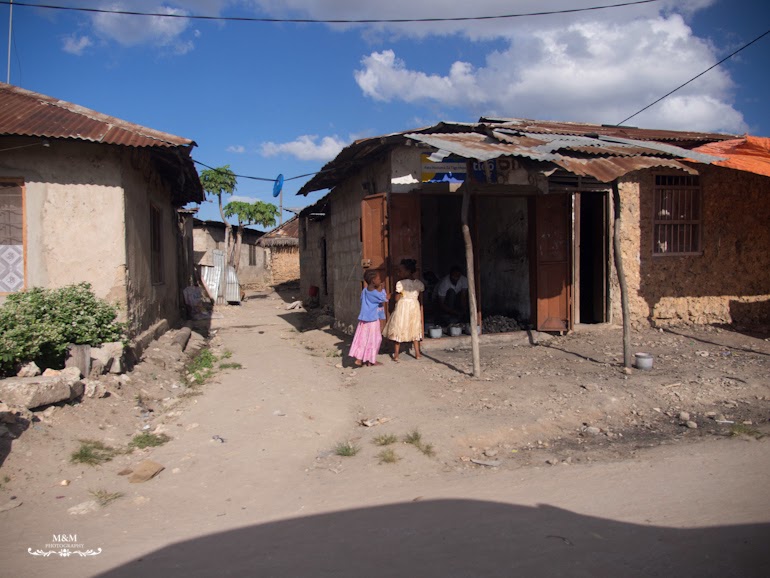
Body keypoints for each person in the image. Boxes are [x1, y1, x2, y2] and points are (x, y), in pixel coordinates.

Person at [383, 258, 425, 362]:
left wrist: (395, 295)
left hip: (402, 308)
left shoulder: (400, 283)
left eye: (400, 271)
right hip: (414, 307)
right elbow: (420, 297)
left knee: (399, 328)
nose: (398, 273)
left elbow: (397, 299)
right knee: (415, 329)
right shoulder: (419, 283)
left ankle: (396, 355)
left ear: (408, 271)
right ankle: (417, 353)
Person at [349, 269, 388, 367]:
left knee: (362, 338)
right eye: (378, 279)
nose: (380, 280)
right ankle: (371, 359)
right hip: (372, 320)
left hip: (364, 320)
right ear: (373, 281)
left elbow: (362, 299)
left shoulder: (365, 290)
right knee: (375, 339)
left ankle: (360, 358)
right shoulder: (374, 293)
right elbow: (384, 298)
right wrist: (382, 289)